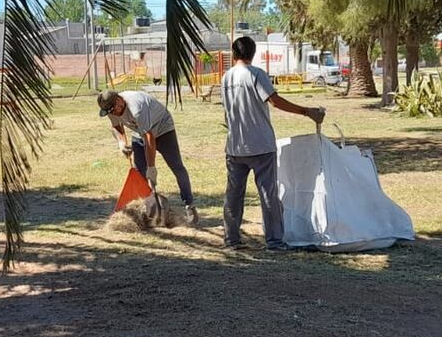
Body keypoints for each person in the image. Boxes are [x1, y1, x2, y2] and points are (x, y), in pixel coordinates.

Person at [221, 36, 325, 249]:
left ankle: (231, 239)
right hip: (260, 145)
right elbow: (275, 101)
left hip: (235, 147)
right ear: (253, 53)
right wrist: (307, 111)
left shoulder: (226, 78)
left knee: (233, 194)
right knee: (268, 194)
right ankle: (274, 241)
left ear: (234, 54)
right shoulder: (256, 74)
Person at [98, 89, 198, 224]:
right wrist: (121, 142)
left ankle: (189, 205)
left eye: (113, 110)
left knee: (176, 166)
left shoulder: (136, 107)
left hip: (162, 128)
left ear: (118, 101)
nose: (113, 114)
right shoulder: (110, 108)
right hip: (140, 131)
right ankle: (149, 210)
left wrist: (151, 168)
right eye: (110, 112)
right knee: (139, 173)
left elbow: (149, 138)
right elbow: (116, 126)